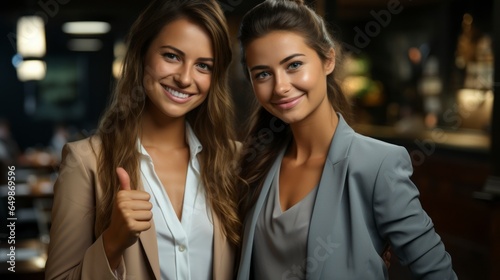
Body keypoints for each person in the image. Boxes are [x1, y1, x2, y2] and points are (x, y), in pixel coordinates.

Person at [236, 0, 458, 279]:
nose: (280, 86)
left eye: (293, 65)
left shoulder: (376, 164)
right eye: (263, 74)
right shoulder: (255, 164)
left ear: (328, 60)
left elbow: (437, 272)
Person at [45, 0, 242, 279]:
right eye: (172, 56)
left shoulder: (236, 160)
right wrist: (112, 242)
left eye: (203, 66)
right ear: (141, 54)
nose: (185, 78)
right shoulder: (85, 161)